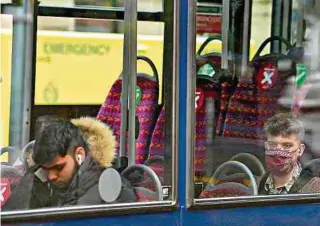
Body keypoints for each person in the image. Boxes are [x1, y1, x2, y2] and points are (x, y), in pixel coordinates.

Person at [258, 112, 320, 195]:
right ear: (266, 146)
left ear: (300, 150)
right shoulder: (256, 185)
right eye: (272, 144)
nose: (278, 151)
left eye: (287, 145)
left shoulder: (315, 189)